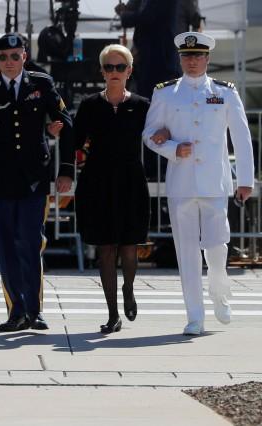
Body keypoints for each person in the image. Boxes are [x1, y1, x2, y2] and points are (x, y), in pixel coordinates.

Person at [143, 32, 255, 336]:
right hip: (181, 182)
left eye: (198, 56)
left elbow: (241, 138)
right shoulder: (166, 93)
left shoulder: (225, 92)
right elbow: (149, 133)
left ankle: (219, 289)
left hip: (215, 182)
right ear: (180, 58)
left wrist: (245, 180)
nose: (192, 62)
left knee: (218, 247)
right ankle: (195, 315)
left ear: (207, 59)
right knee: (187, 251)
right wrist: (171, 148)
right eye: (187, 56)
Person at [0, 33, 75, 332]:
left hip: (33, 179)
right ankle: (15, 310)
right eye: (3, 57)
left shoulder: (40, 84)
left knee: (30, 243)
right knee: (6, 247)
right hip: (0, 179)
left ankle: (34, 309)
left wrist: (65, 169)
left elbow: (65, 123)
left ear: (25, 57)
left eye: (15, 56)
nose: (9, 63)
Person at [73, 44, 150, 334]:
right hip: (98, 180)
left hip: (130, 179)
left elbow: (157, 133)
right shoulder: (90, 105)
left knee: (129, 247)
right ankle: (112, 313)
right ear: (102, 71)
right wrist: (55, 131)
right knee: (105, 248)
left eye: (120, 67)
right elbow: (75, 140)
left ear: (129, 71)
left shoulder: (142, 105)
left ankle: (128, 288)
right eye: (109, 67)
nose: (114, 72)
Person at [115, 0, 180, 99]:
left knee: (155, 101)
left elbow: (146, 17)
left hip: (159, 61)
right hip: (149, 60)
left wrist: (124, 15)